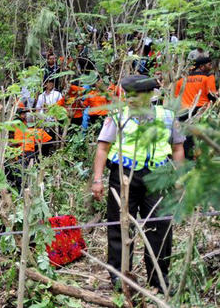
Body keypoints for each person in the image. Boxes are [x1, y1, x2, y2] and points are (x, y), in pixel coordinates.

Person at [90, 74, 185, 291]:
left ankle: (159, 279)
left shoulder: (168, 117)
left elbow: (178, 148)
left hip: (158, 177)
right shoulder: (117, 116)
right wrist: (97, 179)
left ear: (150, 95)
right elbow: (103, 147)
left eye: (136, 95)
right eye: (128, 94)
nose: (131, 99)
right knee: (120, 226)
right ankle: (119, 277)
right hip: (123, 177)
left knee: (160, 226)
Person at [173, 56, 217, 158]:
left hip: (183, 112)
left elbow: (176, 96)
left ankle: (187, 159)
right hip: (201, 111)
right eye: (209, 64)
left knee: (186, 138)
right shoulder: (208, 78)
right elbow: (212, 96)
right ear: (201, 66)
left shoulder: (181, 80)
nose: (211, 67)